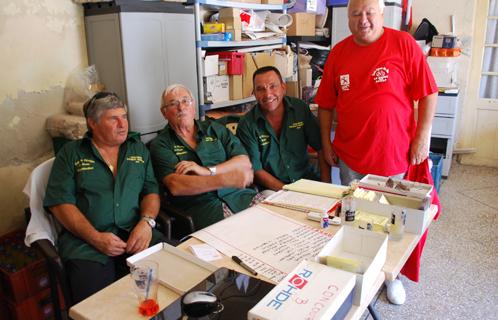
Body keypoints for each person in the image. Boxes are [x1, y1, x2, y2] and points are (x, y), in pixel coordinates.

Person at [314, 0, 438, 305]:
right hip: (350, 156)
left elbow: (429, 91)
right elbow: (326, 104)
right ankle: (359, 272)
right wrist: (327, 146)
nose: (363, 19)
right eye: (355, 14)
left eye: (370, 12)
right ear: (348, 17)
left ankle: (391, 276)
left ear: (382, 13)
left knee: (392, 222)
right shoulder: (339, 53)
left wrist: (422, 137)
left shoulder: (403, 44)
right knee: (356, 219)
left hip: (392, 154)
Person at [44, 92, 164, 304]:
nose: (122, 124)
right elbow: (60, 204)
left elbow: (151, 192)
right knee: (97, 306)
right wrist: (95, 238)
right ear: (93, 123)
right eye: (113, 119)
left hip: (135, 234)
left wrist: (146, 222)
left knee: (173, 280)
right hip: (87, 244)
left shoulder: (137, 149)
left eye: (124, 117)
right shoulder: (71, 153)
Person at [150, 84, 264, 230]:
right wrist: (225, 179)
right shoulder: (161, 144)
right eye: (173, 104)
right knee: (245, 235)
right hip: (205, 209)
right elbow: (176, 185)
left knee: (278, 221)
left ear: (193, 106)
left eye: (186, 101)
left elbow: (243, 162)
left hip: (241, 197)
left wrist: (209, 171)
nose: (181, 107)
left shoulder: (214, 129)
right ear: (164, 112)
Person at [237, 66, 330, 191]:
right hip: (272, 189)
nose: (268, 94)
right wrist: (288, 191)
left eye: (273, 86)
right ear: (254, 94)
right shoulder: (247, 124)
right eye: (260, 89)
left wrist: (327, 186)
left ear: (283, 87)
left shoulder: (300, 109)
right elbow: (256, 170)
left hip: (307, 181)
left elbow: (321, 147)